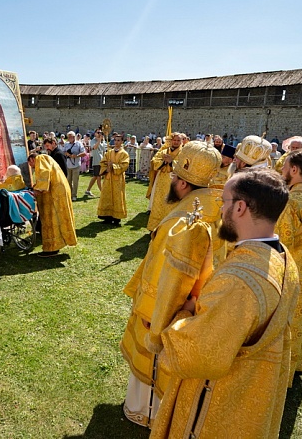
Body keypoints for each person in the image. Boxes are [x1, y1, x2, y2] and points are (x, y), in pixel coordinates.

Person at [150, 169, 299, 439]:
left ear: (240, 207)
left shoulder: (238, 281)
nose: (220, 209)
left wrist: (181, 314)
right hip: (256, 394)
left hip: (220, 403)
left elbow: (199, 352)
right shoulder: (282, 257)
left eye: (224, 201)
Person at [120, 141, 224, 428]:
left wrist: (153, 315)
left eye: (175, 178)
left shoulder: (181, 219)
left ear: (180, 182)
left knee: (154, 362)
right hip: (203, 303)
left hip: (168, 307)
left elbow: (163, 275)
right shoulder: (220, 205)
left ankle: (145, 412)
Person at [276, 149, 302, 378]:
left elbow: (283, 240)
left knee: (291, 317)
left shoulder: (291, 201)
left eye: (284, 167)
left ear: (294, 170)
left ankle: (285, 368)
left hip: (295, 267)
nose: (282, 171)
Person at [27, 153, 77, 257]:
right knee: (59, 219)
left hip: (54, 194)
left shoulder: (40, 158)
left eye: (31, 164)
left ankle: (51, 248)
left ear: (32, 159)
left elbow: (44, 173)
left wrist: (39, 189)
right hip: (58, 191)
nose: (32, 167)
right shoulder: (48, 158)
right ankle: (57, 244)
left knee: (51, 219)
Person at [146, 133, 183, 231]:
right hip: (161, 180)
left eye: (178, 140)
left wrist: (171, 162)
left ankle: (169, 228)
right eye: (174, 140)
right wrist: (163, 162)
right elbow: (154, 161)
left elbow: (184, 166)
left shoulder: (183, 153)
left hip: (174, 182)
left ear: (181, 141)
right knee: (158, 203)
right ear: (171, 141)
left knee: (171, 204)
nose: (176, 142)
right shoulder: (164, 151)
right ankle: (155, 227)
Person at [97, 134, 129, 226]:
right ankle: (107, 216)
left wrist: (114, 166)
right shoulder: (109, 152)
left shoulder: (124, 154)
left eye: (119, 140)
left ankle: (116, 218)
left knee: (117, 197)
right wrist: (106, 168)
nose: (116, 142)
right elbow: (102, 162)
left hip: (117, 179)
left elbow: (124, 165)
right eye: (115, 140)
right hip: (108, 178)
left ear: (122, 141)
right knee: (107, 196)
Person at [64, 131, 86, 201]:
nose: (70, 138)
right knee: (68, 181)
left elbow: (84, 153)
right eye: (69, 137)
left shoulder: (79, 143)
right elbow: (64, 152)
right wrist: (67, 154)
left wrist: (76, 156)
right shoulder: (66, 144)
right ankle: (69, 194)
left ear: (74, 137)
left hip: (76, 165)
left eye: (72, 137)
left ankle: (74, 195)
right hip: (68, 165)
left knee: (75, 181)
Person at [85, 130, 107, 197]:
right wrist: (99, 140)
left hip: (101, 161)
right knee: (98, 177)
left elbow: (104, 151)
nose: (99, 134)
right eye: (98, 133)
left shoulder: (103, 141)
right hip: (96, 161)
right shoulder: (93, 141)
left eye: (101, 133)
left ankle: (88, 190)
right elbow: (94, 147)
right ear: (95, 133)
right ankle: (103, 192)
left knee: (95, 177)